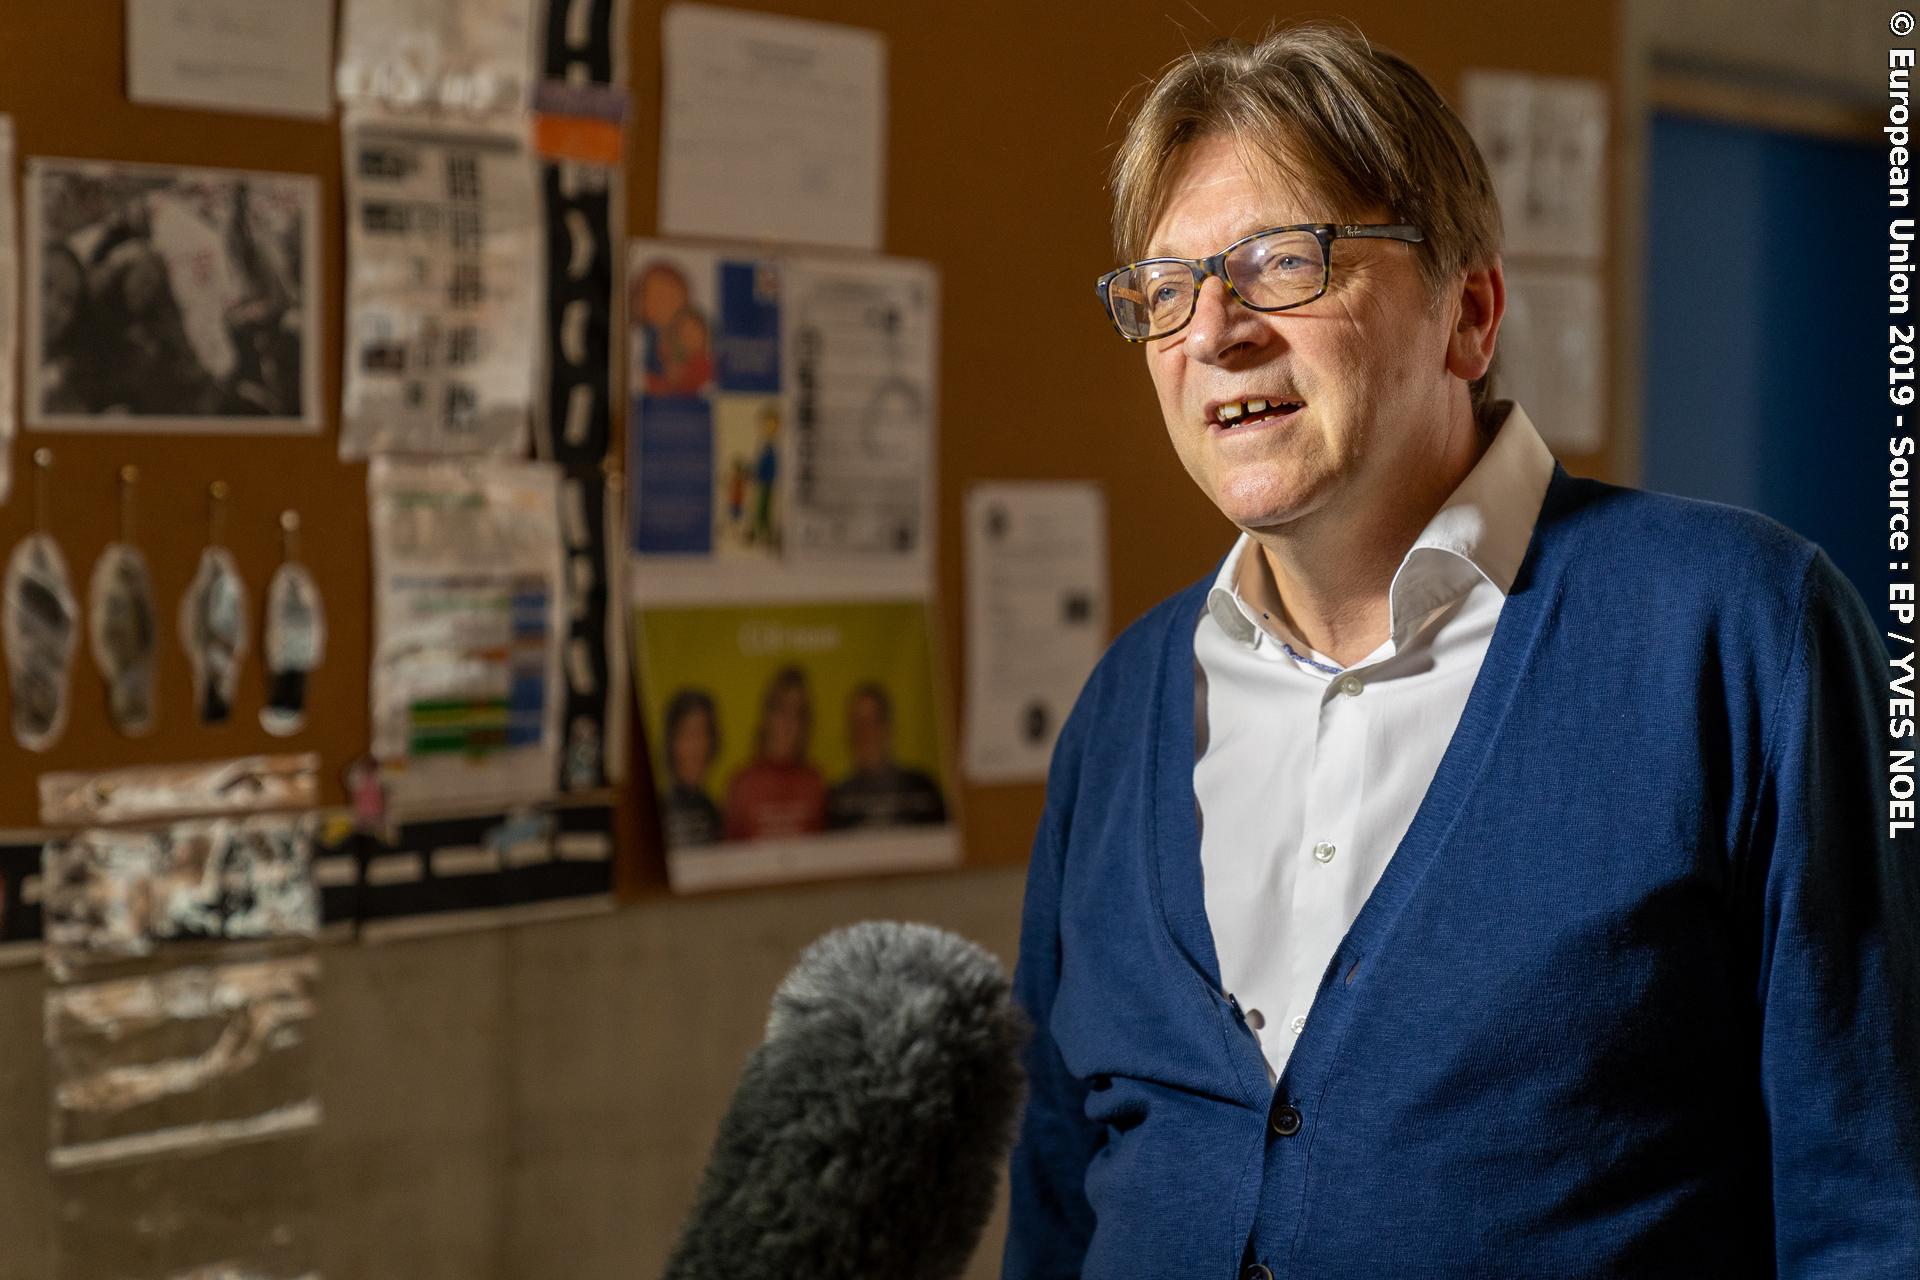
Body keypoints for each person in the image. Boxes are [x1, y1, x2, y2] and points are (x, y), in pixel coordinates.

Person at [1004, 23, 1918, 1280]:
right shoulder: (1123, 708)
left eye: (1283, 262)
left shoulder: (1737, 631)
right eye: (1165, 289)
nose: (1213, 331)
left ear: (1469, 312)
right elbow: (1058, 1201)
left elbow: (1876, 1203)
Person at [824, 682, 947, 830]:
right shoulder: (837, 800)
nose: (863, 733)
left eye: (871, 722)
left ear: (887, 728)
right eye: (856, 724)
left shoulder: (922, 788)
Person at [722, 666, 826, 840]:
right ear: (766, 716)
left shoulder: (814, 782)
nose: (788, 723)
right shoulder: (742, 784)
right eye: (781, 709)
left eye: (797, 713)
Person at [661, 688, 723, 848]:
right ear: (671, 742)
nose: (698, 747)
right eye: (689, 734)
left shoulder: (711, 809)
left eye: (704, 734)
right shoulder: (662, 808)